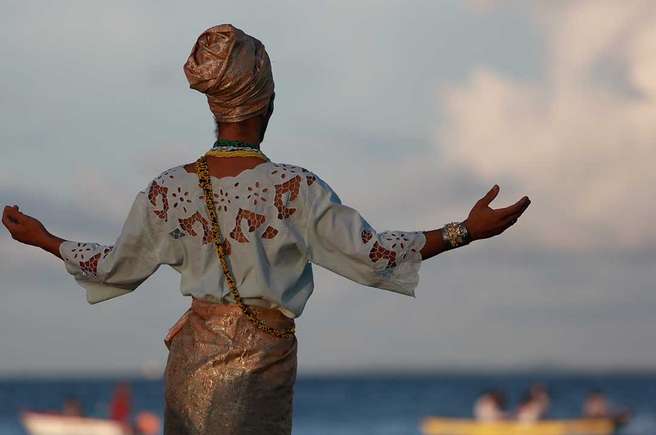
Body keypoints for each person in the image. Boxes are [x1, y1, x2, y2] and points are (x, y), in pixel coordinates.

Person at [1, 23, 531, 435]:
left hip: (189, 368)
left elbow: (115, 268)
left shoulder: (168, 190)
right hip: (261, 370)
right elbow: (375, 257)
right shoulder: (294, 189)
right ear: (267, 101)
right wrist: (464, 231)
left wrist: (45, 239)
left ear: (214, 104)